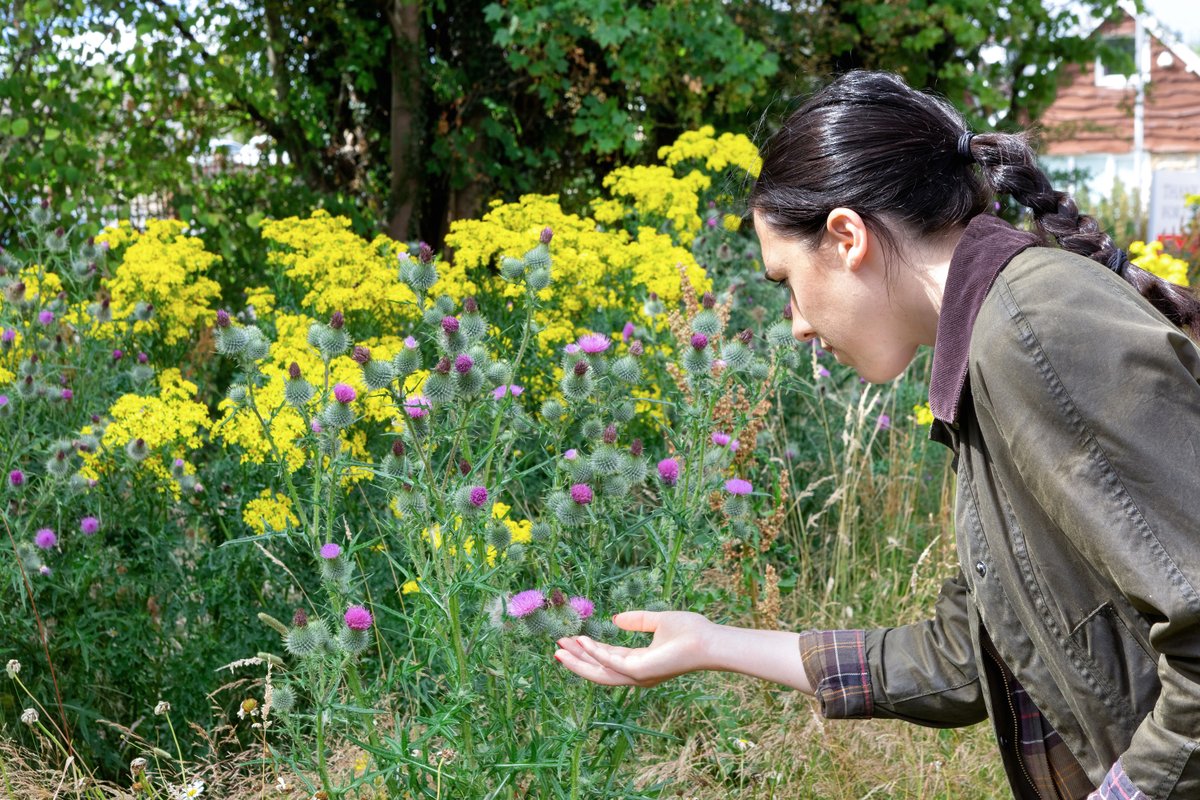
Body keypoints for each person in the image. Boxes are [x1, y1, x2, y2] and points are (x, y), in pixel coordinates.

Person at [552, 71, 1200, 800]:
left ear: (845, 236)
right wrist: (713, 643)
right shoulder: (991, 352)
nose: (796, 322)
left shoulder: (1032, 328)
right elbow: (966, 659)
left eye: (786, 280)